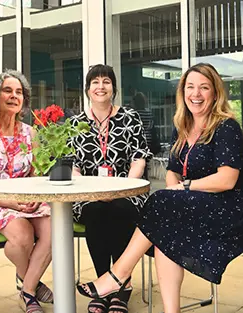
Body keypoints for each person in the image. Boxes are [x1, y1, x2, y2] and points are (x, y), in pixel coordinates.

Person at [76, 63, 243, 313]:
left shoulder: (226, 127)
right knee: (164, 223)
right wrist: (178, 193)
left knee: (160, 205)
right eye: (190, 87)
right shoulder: (182, 125)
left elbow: (226, 180)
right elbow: (172, 170)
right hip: (197, 201)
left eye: (204, 88)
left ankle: (118, 274)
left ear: (215, 93)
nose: (196, 94)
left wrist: (183, 189)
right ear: (183, 92)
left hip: (230, 207)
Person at [70, 64, 152, 313]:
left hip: (126, 192)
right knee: (95, 211)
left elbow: (139, 157)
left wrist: (121, 188)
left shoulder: (129, 117)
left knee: (120, 209)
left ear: (114, 88)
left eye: (106, 81)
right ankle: (104, 283)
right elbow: (72, 165)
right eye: (95, 82)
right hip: (88, 195)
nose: (101, 86)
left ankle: (120, 284)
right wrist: (90, 191)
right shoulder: (76, 123)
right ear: (87, 89)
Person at [0, 69, 52, 313]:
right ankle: (32, 289)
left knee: (55, 226)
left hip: (27, 201)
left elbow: (36, 176)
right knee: (22, 234)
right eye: (8, 91)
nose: (14, 96)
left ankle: (26, 289)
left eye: (19, 92)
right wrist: (12, 204)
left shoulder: (31, 133)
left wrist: (33, 199)